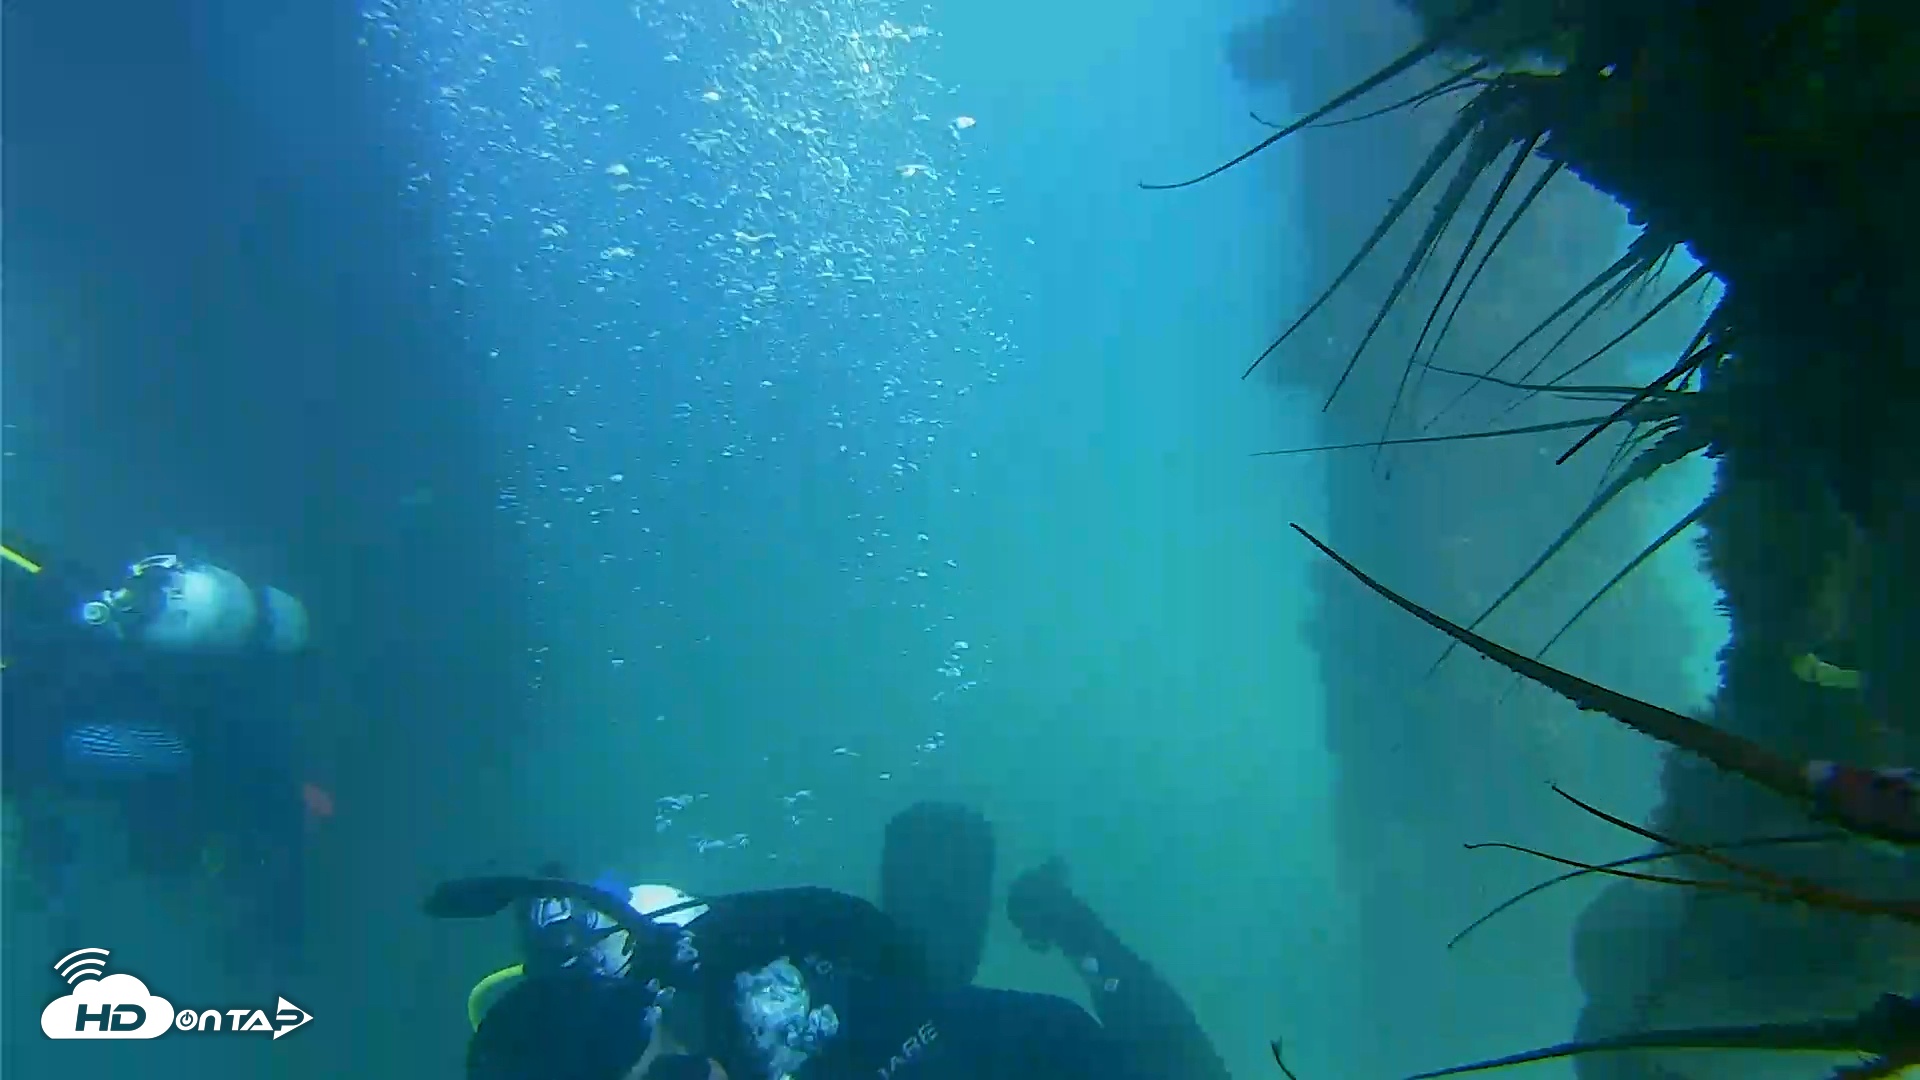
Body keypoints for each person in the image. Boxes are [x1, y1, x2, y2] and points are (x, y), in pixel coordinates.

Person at [443, 802, 1233, 1080]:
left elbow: (853, 936)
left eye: (681, 1070)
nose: (704, 1079)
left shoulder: (743, 1008)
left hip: (920, 1029)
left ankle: (1064, 920)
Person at [1, 534, 315, 975]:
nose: (132, 600)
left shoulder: (169, 732)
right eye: (155, 583)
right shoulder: (72, 592)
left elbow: (37, 745)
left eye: (159, 604)